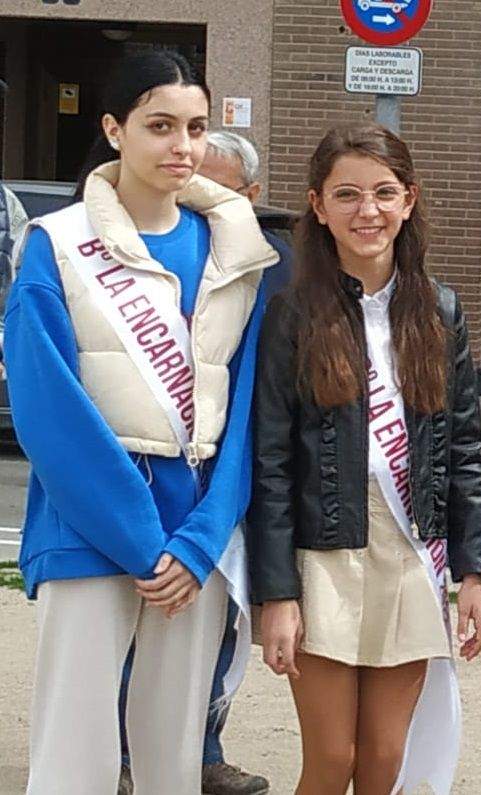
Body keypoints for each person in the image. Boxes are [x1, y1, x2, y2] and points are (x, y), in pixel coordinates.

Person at [5, 51, 275, 793]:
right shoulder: (55, 245)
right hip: (89, 529)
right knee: (75, 756)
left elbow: (248, 410)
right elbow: (46, 407)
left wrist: (202, 536)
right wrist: (139, 537)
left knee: (173, 760)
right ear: (114, 129)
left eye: (195, 125)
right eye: (160, 126)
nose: (181, 145)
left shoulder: (238, 251)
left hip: (195, 542)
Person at [246, 122, 481, 795]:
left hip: (409, 554)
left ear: (409, 200)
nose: (368, 211)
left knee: (386, 758)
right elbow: (268, 461)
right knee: (332, 758)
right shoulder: (291, 313)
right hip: (321, 554)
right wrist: (276, 593)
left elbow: (463, 445)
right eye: (347, 194)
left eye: (384, 192)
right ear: (318, 206)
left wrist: (472, 570)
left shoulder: (439, 311)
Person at [116, 127, 290, 795]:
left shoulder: (272, 263)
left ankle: (203, 747)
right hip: (157, 478)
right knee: (144, 619)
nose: (196, 200)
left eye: (214, 188)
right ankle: (131, 754)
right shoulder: (152, 254)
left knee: (218, 627)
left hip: (233, 477)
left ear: (248, 194)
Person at [200, 129, 292, 295]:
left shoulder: (276, 262)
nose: (203, 201)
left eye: (220, 191)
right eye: (196, 187)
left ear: (250, 195)